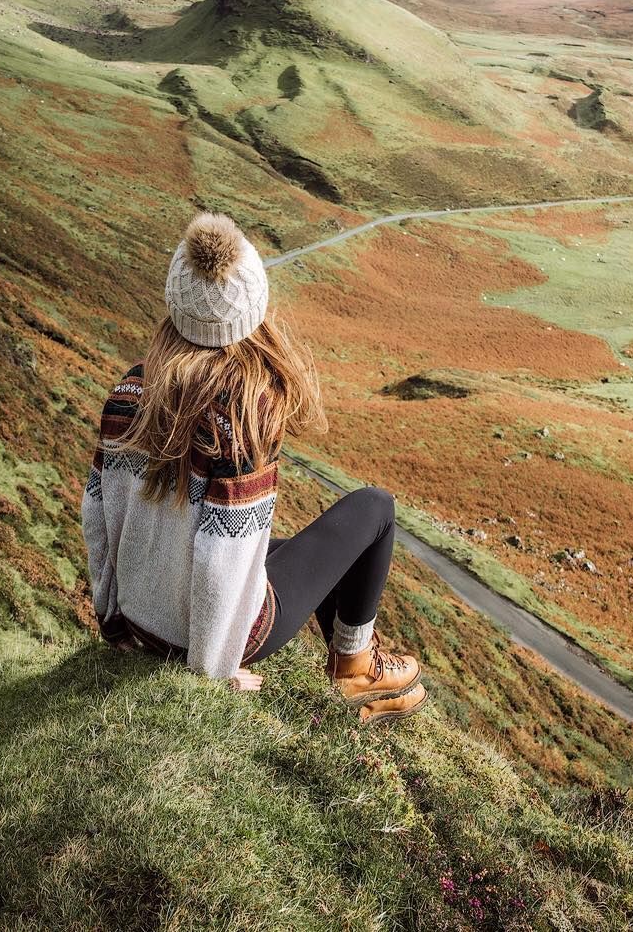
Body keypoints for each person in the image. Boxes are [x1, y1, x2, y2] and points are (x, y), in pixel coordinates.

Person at [80, 209, 427, 724]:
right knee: (375, 509)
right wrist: (216, 671)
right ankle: (355, 668)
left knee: (314, 552)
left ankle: (359, 664)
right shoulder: (244, 413)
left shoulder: (131, 389)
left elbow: (98, 518)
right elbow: (224, 556)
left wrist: (115, 625)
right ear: (251, 309)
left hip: (138, 620)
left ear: (176, 303)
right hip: (215, 634)